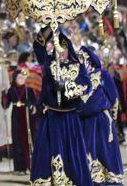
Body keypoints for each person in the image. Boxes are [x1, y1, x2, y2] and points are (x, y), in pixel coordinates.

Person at [30, 28, 93, 186]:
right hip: (51, 116)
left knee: (71, 151)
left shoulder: (77, 67)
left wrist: (67, 88)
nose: (61, 52)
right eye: (58, 48)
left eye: (64, 49)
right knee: (47, 150)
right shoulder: (49, 63)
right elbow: (37, 46)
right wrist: (49, 29)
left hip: (69, 117)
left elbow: (87, 85)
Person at [78, 45, 123, 184]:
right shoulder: (77, 79)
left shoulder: (102, 74)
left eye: (81, 57)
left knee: (105, 150)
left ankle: (112, 180)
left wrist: (111, 118)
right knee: (89, 151)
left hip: (102, 119)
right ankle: (94, 180)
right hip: (85, 122)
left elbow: (114, 97)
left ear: (88, 59)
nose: (78, 61)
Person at [2, 67, 36, 175]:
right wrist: (3, 95)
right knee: (17, 140)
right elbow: (5, 105)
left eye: (22, 77)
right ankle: (20, 167)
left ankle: (31, 165)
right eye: (18, 77)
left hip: (26, 116)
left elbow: (35, 103)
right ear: (14, 79)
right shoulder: (11, 90)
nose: (21, 79)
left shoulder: (28, 90)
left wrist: (31, 106)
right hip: (16, 115)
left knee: (28, 140)